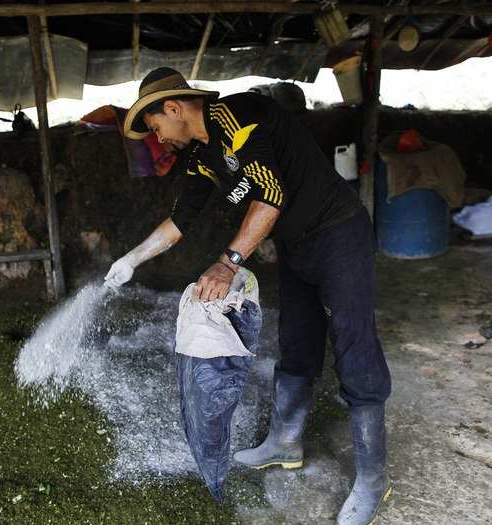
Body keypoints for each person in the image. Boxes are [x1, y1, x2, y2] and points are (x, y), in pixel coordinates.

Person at [104, 68, 392, 525]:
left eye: (156, 127)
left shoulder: (240, 114)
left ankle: (373, 479)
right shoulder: (202, 155)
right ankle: (286, 442)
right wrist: (132, 259)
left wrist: (228, 261)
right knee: (297, 343)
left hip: (338, 233)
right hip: (297, 244)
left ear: (174, 108)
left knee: (354, 348)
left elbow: (270, 194)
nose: (158, 140)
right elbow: (181, 219)